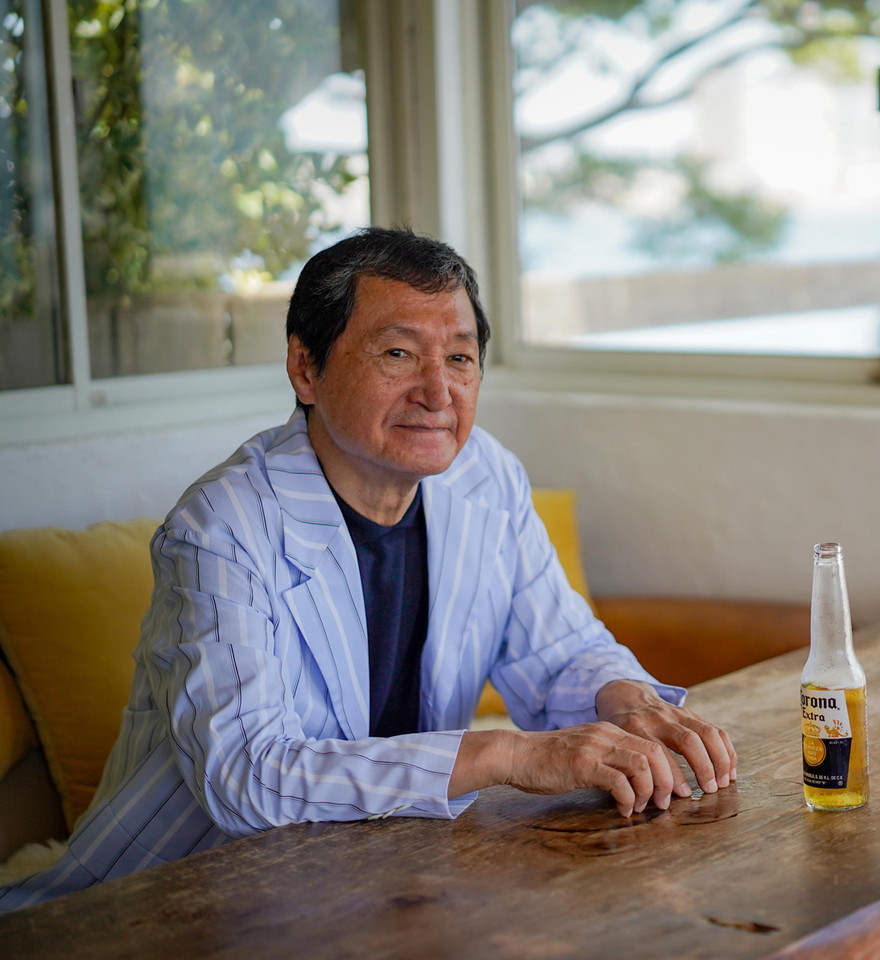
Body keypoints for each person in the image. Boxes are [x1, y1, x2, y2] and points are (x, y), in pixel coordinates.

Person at [0, 227, 735, 911]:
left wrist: (623, 698)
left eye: (460, 357)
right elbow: (248, 776)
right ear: (305, 368)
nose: (438, 393)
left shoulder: (486, 478)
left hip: (384, 882)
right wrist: (505, 754)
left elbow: (561, 648)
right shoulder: (221, 527)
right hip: (174, 902)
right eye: (398, 354)